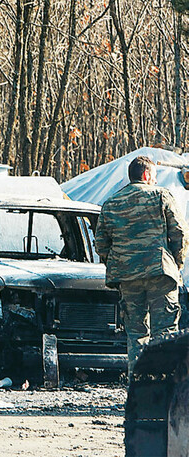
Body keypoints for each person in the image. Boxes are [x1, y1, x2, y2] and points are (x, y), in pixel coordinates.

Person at [95, 155, 188, 375]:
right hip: (160, 273)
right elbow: (180, 233)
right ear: (146, 175)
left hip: (127, 278)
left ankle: (139, 389)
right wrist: (176, 264)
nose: (155, 181)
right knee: (164, 331)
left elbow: (101, 244)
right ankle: (163, 389)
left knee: (136, 335)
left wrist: (118, 264)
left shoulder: (111, 203)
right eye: (154, 177)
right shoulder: (161, 195)